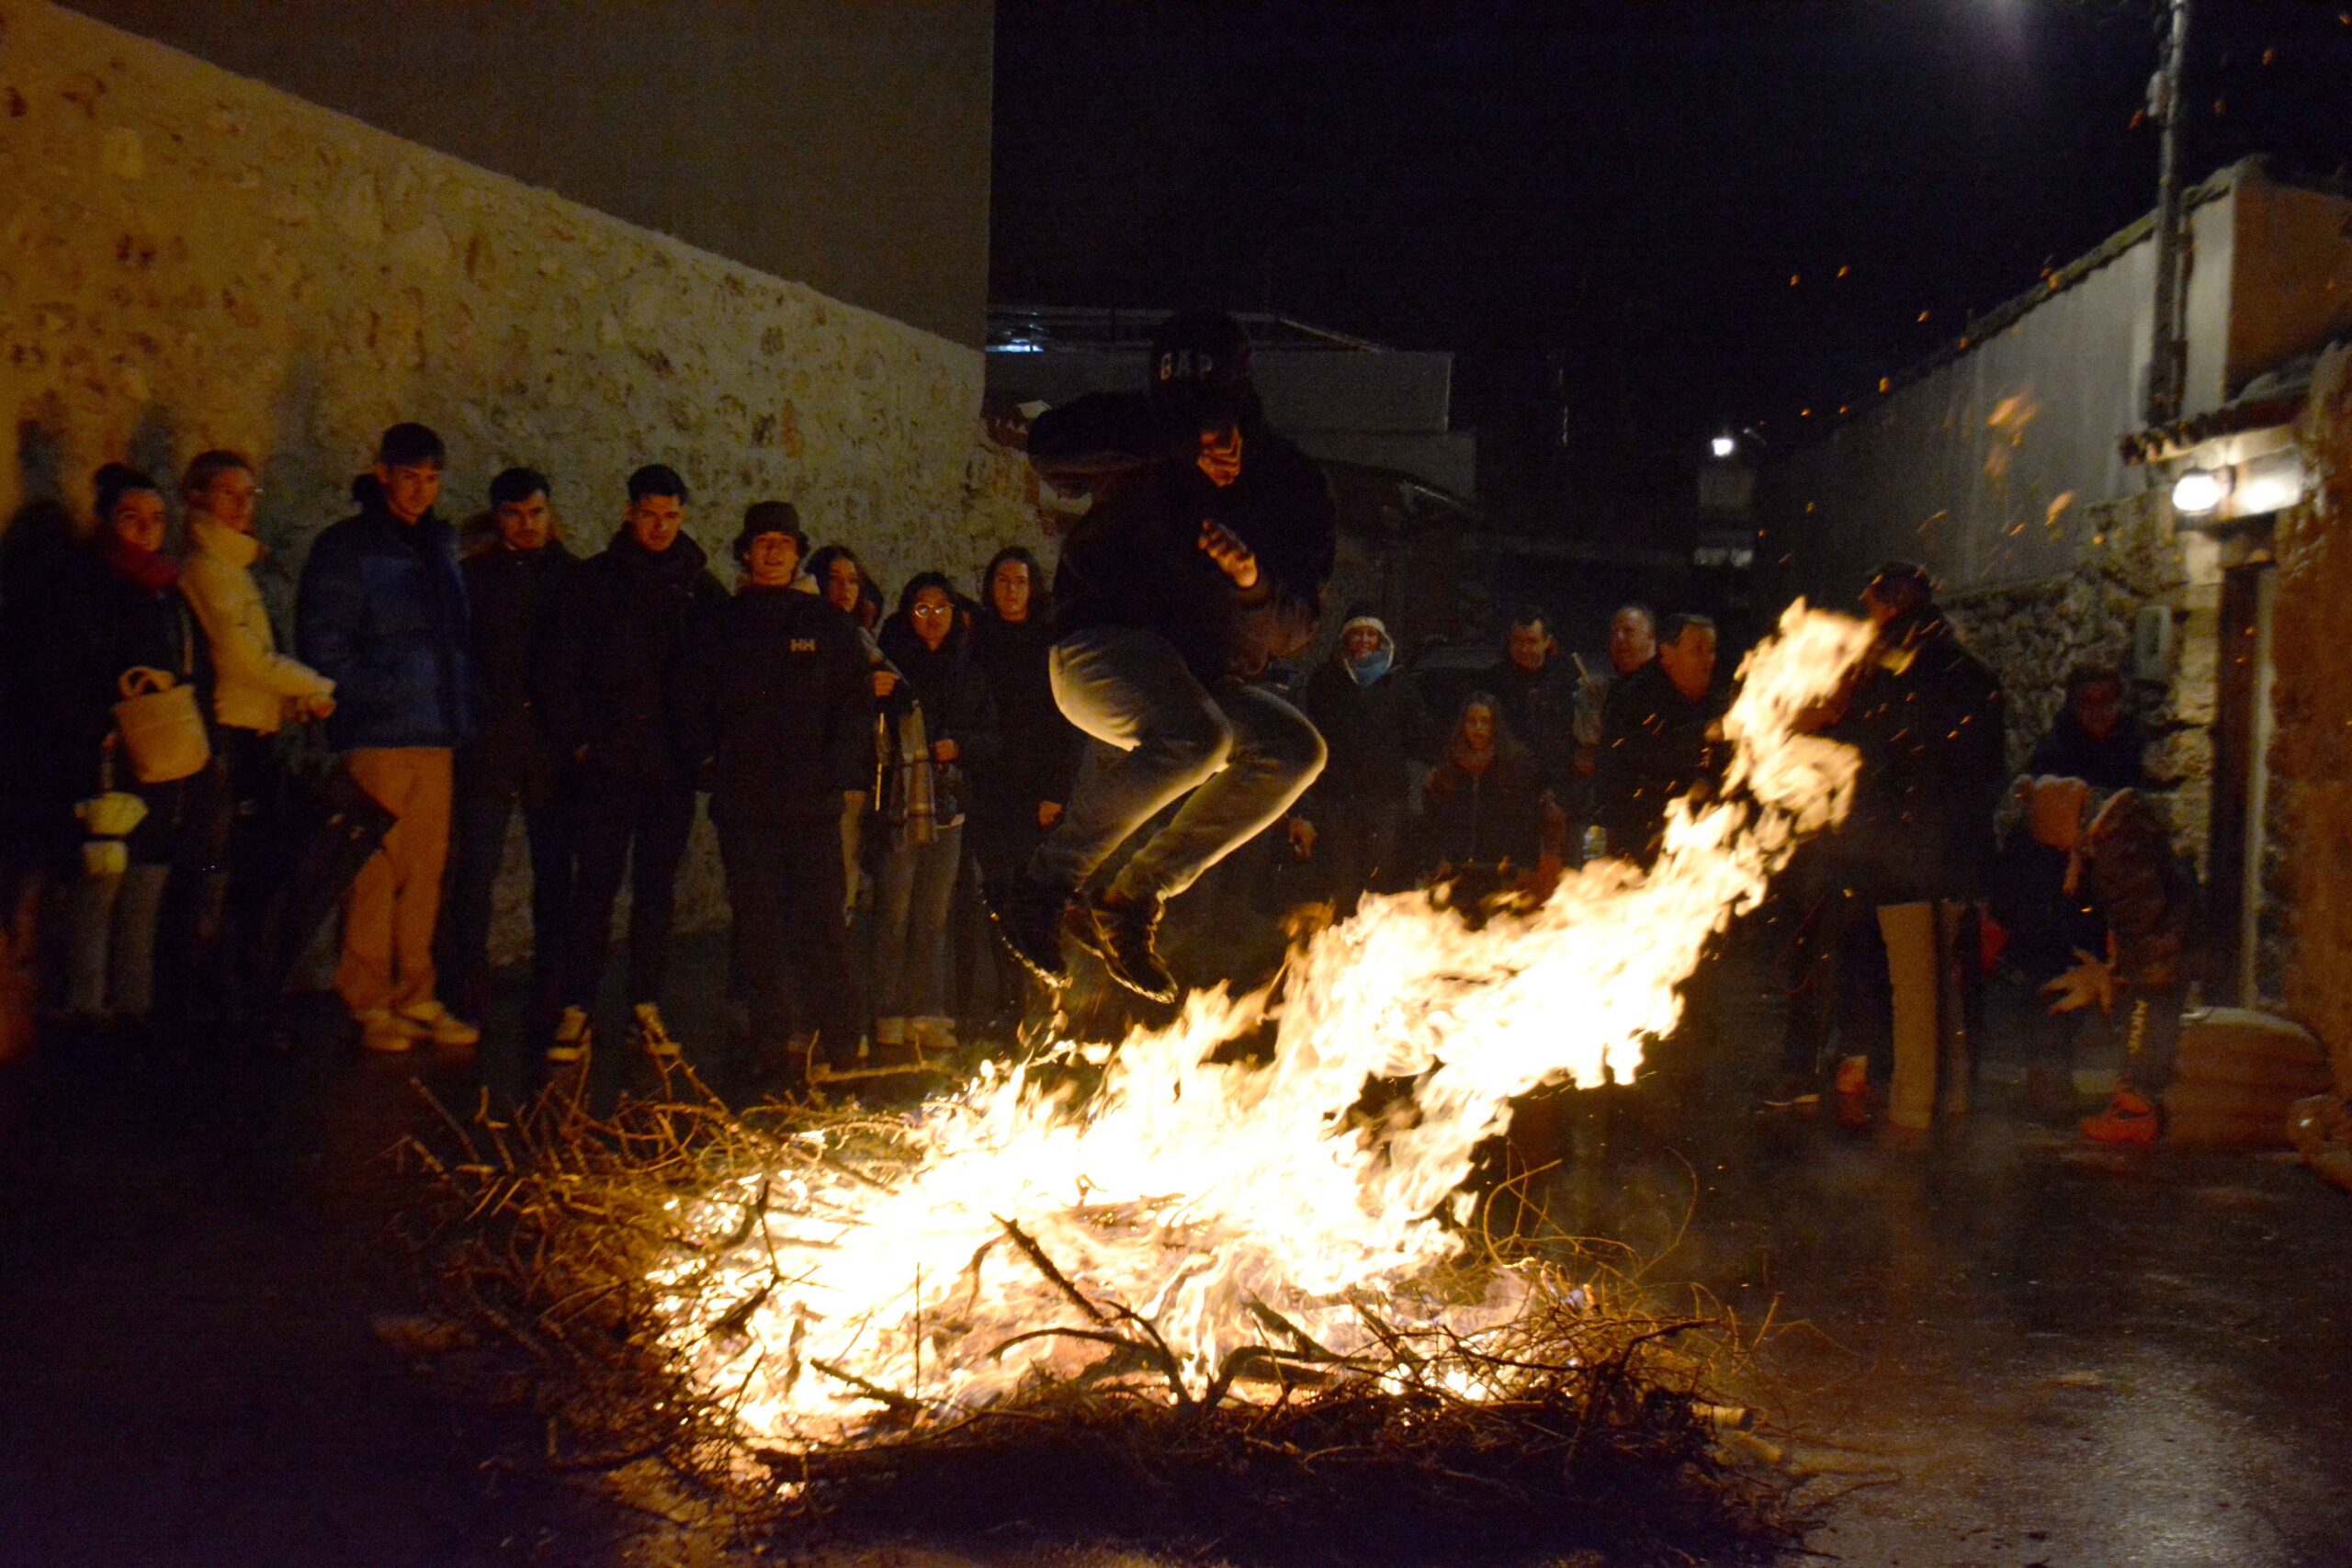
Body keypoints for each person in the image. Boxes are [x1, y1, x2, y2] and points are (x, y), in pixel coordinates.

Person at [990, 310, 1335, 1002]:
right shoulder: (1139, 435)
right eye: (1174, 390)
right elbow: (1050, 444)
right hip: (1101, 649)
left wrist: (1252, 582)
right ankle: (1043, 886)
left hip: (1205, 678)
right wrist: (1173, 438)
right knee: (1197, 736)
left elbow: (1297, 618)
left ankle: (1129, 900)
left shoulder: (1285, 476)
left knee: (1293, 748)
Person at [670, 502, 870, 1092]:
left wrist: (833, 774)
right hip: (745, 806)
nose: (775, 553)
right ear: (747, 552)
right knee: (757, 927)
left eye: (785, 542)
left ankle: (839, 1038)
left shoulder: (826, 626)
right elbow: (689, 699)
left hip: (811, 807)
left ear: (797, 551)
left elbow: (853, 707)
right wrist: (710, 762)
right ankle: (771, 1038)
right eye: (764, 543)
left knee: (823, 925)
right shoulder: (718, 624)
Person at [295, 423, 478, 1055]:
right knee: (376, 867)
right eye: (409, 477)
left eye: (430, 479)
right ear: (382, 475)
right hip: (381, 729)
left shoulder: (437, 545)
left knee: (425, 868)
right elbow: (325, 639)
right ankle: (367, 994)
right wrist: (378, 693)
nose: (420, 491)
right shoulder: (347, 549)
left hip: (435, 729)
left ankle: (415, 990)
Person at [537, 463, 724, 1065]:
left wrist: (702, 748)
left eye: (671, 516)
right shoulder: (593, 582)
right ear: (629, 512)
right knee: (592, 887)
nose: (661, 526)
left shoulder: (700, 588)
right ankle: (579, 1005)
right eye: (650, 514)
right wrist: (581, 742)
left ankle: (645, 1004)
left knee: (655, 893)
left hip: (670, 768)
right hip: (608, 766)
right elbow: (559, 666)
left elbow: (724, 672)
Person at [51, 465, 222, 1029]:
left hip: (162, 750)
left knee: (149, 873)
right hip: (106, 752)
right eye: (132, 519)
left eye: (155, 519)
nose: (146, 531)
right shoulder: (85, 587)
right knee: (103, 876)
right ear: (106, 522)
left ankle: (134, 1000)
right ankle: (88, 1003)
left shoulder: (165, 589)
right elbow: (67, 670)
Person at [176, 449, 336, 1014]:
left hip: (250, 732)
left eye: (250, 494)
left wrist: (291, 703)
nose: (243, 506)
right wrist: (315, 687)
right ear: (197, 498)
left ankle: (238, 992)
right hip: (230, 740)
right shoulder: (209, 570)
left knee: (251, 871)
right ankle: (216, 1001)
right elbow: (245, 661)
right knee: (223, 874)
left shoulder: (231, 569)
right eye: (228, 493)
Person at [441, 467, 575, 1031]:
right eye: (515, 515)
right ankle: (463, 987)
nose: (526, 526)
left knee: (554, 870)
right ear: (497, 519)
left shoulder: (571, 578)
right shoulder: (474, 578)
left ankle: (554, 985)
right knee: (475, 868)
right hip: (491, 739)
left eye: (535, 513)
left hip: (550, 741)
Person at [871, 572, 998, 1062]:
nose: (932, 618)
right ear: (907, 614)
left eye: (941, 608)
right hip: (901, 806)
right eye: (921, 609)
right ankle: (888, 1013)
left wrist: (959, 745)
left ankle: (927, 1009)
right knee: (894, 912)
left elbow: (991, 734)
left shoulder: (969, 671)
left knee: (933, 914)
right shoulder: (892, 670)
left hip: (948, 807)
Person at [967, 547, 1081, 1025]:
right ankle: (1004, 1007)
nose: (1011, 590)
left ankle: (1045, 1007)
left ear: (1033, 588)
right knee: (996, 898)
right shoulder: (978, 640)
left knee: (1035, 900)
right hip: (990, 786)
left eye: (1019, 581)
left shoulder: (1050, 641)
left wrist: (1056, 791)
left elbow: (1068, 720)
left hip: (1036, 790)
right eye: (1002, 581)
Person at [2052, 788, 2199, 1145]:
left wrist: (2122, 969)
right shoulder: (2116, 837)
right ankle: (2130, 1103)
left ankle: (2136, 1112)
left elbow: (2140, 912)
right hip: (2159, 949)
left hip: (2157, 957)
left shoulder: (2115, 847)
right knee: (2142, 1027)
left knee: (2144, 1031)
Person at [1290, 605, 1428, 908]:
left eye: (1370, 634)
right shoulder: (1326, 680)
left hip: (1385, 793)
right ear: (1345, 638)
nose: (1364, 640)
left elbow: (1416, 733)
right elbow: (1313, 733)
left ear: (1380, 640)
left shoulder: (1397, 682)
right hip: (1339, 793)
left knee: (1383, 870)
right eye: (1357, 634)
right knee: (1343, 871)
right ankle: (1344, 936)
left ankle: (1378, 937)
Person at [1594, 612, 1727, 864]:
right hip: (1640, 835)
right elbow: (1632, 756)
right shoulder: (1632, 697)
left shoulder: (1719, 697)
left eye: (1711, 650)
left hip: (1705, 838)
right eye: (1697, 650)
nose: (1707, 660)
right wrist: (1702, 733)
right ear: (1667, 654)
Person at [1419, 692, 1546, 874]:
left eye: (1485, 721)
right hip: (1455, 868)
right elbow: (1433, 821)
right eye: (1472, 721)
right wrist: (1436, 859)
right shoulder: (1448, 766)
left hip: (1500, 868)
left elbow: (1526, 821)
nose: (1478, 728)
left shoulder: (1513, 765)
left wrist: (1521, 863)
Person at [2030, 662, 2144, 791]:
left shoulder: (2133, 741)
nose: (2097, 710)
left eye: (2106, 699)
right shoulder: (2053, 750)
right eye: (2086, 701)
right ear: (2073, 705)